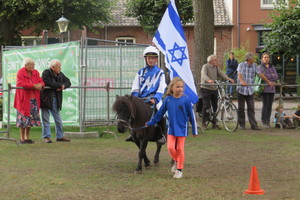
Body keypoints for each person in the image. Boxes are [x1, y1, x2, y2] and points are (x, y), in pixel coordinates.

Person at [146, 77, 198, 179]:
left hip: (182, 129)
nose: (180, 89)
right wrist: (151, 122)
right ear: (172, 88)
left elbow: (191, 116)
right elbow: (160, 113)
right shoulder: (168, 99)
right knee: (170, 147)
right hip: (171, 129)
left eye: (182, 87)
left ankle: (179, 170)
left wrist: (195, 130)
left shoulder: (186, 100)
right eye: (177, 87)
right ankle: (177, 161)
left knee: (179, 149)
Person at [127, 46, 167, 143]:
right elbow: (135, 87)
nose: (151, 60)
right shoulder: (140, 72)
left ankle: (163, 134)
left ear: (156, 59)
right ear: (145, 59)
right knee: (131, 111)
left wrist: (156, 98)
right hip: (141, 99)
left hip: (154, 98)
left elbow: (162, 87)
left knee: (163, 113)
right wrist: (135, 99)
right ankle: (132, 133)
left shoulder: (160, 72)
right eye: (149, 58)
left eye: (153, 58)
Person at [14, 57, 45, 144]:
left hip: (34, 100)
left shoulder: (36, 72)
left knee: (30, 120)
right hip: (24, 100)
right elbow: (20, 83)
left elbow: (41, 80)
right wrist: (33, 86)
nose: (33, 66)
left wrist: (41, 85)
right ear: (26, 65)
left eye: (33, 64)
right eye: (31, 64)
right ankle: (22, 138)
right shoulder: (21, 72)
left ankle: (27, 138)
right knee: (23, 120)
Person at [40, 59, 71, 143]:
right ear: (53, 67)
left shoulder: (60, 74)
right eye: (58, 67)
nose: (60, 69)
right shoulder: (46, 72)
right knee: (45, 119)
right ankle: (47, 137)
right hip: (46, 99)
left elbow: (68, 82)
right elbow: (47, 82)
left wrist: (63, 86)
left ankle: (60, 136)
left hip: (56, 100)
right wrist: (60, 85)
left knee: (58, 119)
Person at [200, 54, 234, 130]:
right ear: (211, 61)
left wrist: (228, 79)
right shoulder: (205, 66)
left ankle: (214, 123)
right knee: (206, 106)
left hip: (214, 89)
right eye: (215, 60)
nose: (216, 61)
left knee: (215, 106)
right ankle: (204, 123)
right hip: (205, 89)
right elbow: (204, 75)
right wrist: (208, 80)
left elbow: (221, 74)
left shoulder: (216, 68)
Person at [236, 52, 260, 130]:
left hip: (250, 90)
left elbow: (260, 74)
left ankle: (254, 125)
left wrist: (268, 80)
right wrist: (242, 81)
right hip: (241, 90)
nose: (254, 59)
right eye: (253, 58)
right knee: (241, 108)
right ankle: (242, 125)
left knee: (251, 108)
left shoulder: (255, 65)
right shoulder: (241, 65)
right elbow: (239, 74)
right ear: (249, 59)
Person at [258, 52, 278, 128]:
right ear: (262, 59)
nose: (266, 59)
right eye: (265, 57)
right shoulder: (260, 67)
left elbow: (276, 76)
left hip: (272, 89)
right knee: (265, 106)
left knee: (270, 106)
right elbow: (261, 75)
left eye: (268, 57)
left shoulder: (272, 67)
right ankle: (263, 121)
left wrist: (269, 75)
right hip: (265, 89)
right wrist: (270, 75)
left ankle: (268, 121)